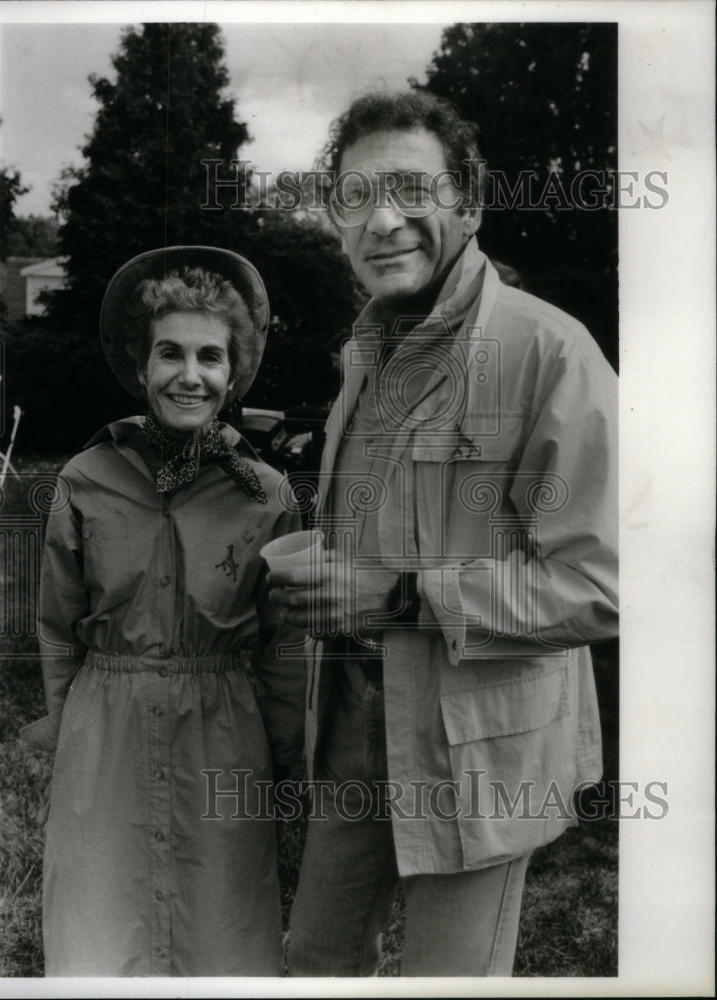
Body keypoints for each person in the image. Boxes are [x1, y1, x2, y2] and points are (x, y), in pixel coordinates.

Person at [268, 91, 618, 976]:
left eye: (408, 188)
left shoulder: (551, 353)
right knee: (312, 963)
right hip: (354, 739)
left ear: (469, 200)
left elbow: (599, 587)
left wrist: (399, 598)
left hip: (479, 760)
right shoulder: (364, 355)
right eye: (353, 197)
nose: (382, 220)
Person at [20, 246, 305, 976]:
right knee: (98, 924)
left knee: (223, 924)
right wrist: (71, 730)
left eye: (210, 356)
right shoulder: (86, 479)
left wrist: (279, 753)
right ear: (141, 365)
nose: (189, 374)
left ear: (234, 372)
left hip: (225, 732)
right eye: (169, 352)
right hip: (104, 727)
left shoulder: (266, 493)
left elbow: (281, 643)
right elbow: (57, 625)